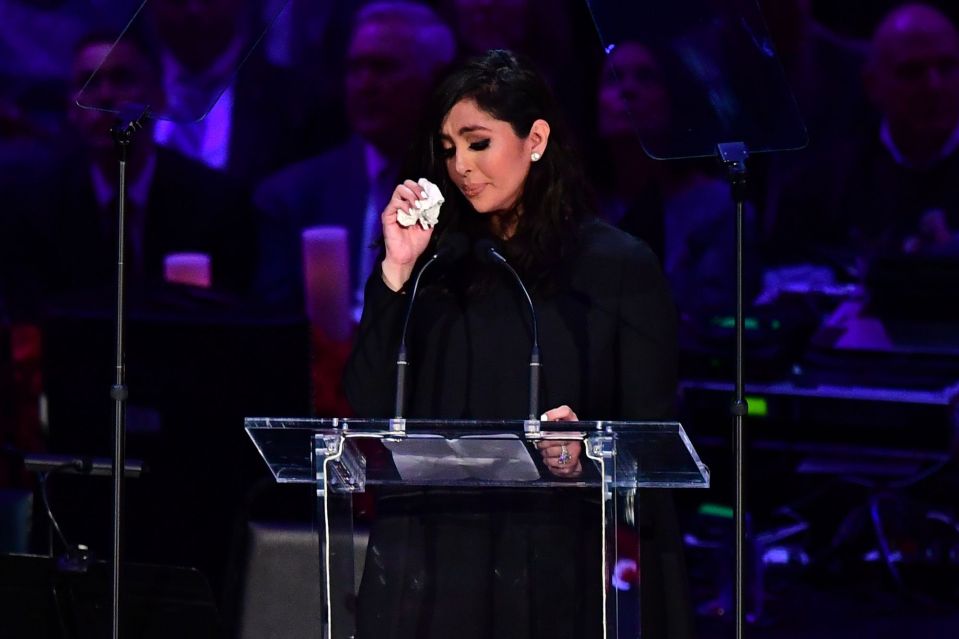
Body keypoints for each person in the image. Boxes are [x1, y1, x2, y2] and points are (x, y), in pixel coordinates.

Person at [344, 50, 692, 639]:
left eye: (478, 143)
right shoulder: (435, 262)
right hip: (429, 560)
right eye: (449, 149)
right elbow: (370, 405)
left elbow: (652, 444)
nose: (460, 167)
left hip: (555, 560)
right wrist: (394, 275)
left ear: (535, 139)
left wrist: (588, 450)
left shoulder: (615, 266)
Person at [253, 1, 456, 314]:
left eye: (384, 67)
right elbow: (275, 329)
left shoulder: (475, 192)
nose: (365, 85)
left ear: (435, 80)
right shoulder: (291, 200)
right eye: (355, 69)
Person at [592, 40, 759, 317]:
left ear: (675, 99)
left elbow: (712, 318)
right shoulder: (577, 202)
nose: (628, 90)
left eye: (646, 77)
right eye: (614, 78)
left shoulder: (722, 209)